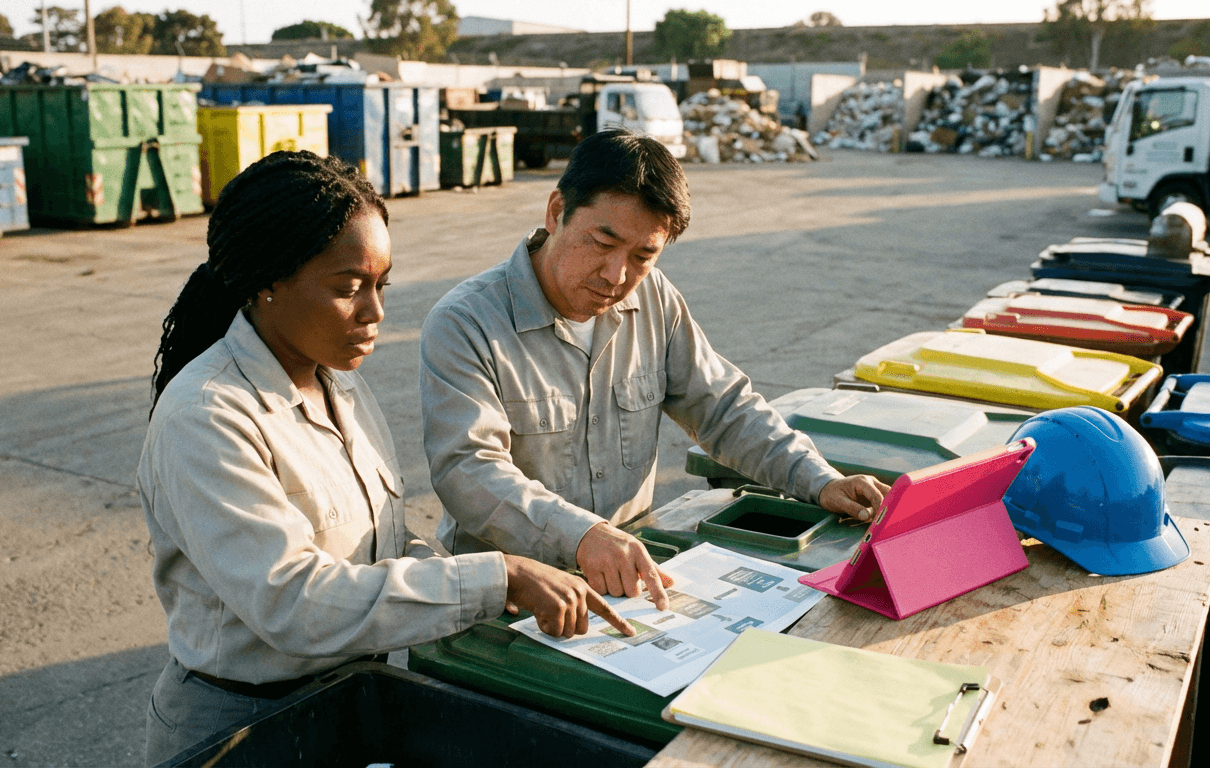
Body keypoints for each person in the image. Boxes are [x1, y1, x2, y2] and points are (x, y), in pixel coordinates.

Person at [138, 151, 629, 766]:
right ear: (267, 280)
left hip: (347, 701)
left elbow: (382, 546)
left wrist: (502, 595)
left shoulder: (340, 384)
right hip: (239, 729)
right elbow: (294, 604)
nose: (375, 313)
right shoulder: (208, 415)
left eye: (380, 284)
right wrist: (493, 577)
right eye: (348, 288)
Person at [420, 128, 889, 611]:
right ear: (557, 212)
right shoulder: (466, 322)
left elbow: (724, 407)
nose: (616, 275)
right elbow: (468, 471)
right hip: (511, 601)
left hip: (628, 583)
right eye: (603, 242)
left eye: (643, 256)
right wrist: (583, 535)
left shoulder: (653, 298)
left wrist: (819, 479)